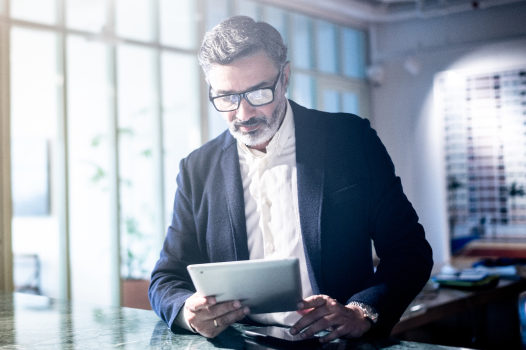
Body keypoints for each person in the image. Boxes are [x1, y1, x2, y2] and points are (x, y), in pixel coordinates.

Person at [148, 15, 433, 343]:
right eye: (226, 97)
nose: (243, 114)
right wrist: (188, 311)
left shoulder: (350, 140)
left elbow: (409, 249)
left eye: (258, 93)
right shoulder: (197, 168)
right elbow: (166, 278)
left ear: (284, 77)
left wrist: (361, 311)